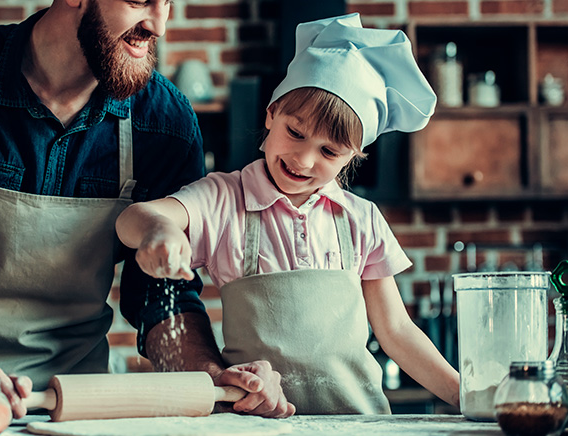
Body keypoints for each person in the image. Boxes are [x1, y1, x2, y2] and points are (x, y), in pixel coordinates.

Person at [0, 0, 290, 419]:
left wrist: (215, 379)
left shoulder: (164, 124)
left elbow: (163, 298)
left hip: (71, 407)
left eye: (167, 3)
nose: (158, 25)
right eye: (141, 1)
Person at [116, 13, 461, 414]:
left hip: (357, 421)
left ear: (353, 157)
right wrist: (160, 230)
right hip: (258, 421)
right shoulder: (225, 199)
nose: (303, 158)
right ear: (271, 113)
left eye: (329, 152)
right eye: (295, 133)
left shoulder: (361, 219)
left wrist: (462, 393)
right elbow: (132, 220)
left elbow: (396, 331)